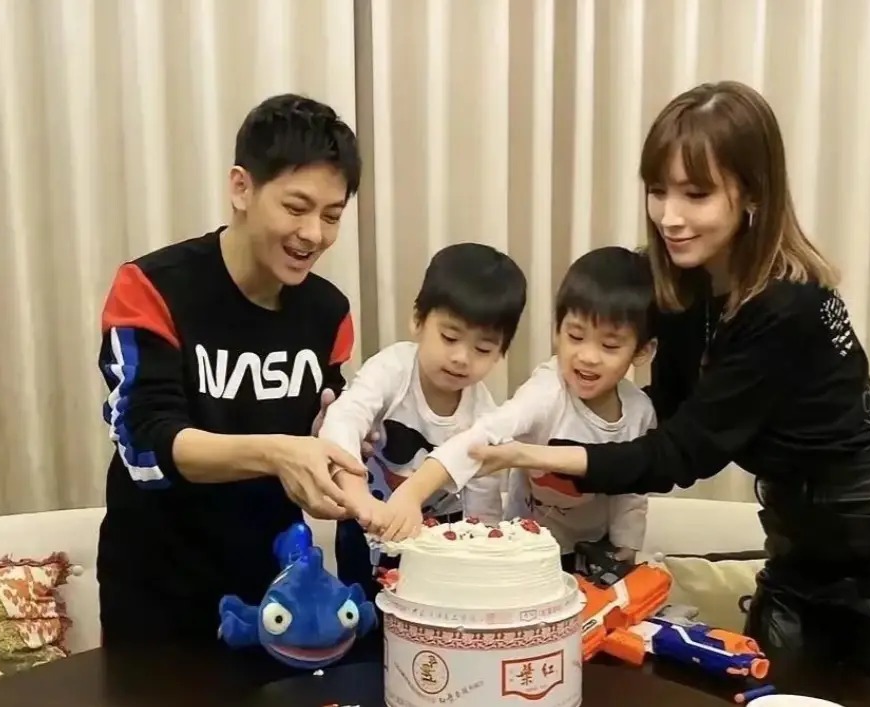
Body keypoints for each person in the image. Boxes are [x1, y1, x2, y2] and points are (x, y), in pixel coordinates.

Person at [462, 81, 870, 703]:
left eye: (696, 194)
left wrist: (535, 454)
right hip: (796, 552)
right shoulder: (683, 283)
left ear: (753, 192)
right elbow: (664, 415)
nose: (669, 217)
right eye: (658, 190)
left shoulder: (788, 305)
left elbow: (683, 453)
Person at [96, 94, 369, 658]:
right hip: (158, 589)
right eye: (296, 207)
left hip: (277, 588)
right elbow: (144, 444)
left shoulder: (328, 312)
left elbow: (324, 423)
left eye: (332, 215)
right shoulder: (152, 288)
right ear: (242, 188)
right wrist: (277, 453)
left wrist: (337, 449)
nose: (313, 234)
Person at [373, 246, 656, 573]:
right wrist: (414, 491)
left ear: (642, 351)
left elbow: (633, 487)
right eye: (575, 336)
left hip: (595, 546)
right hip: (527, 545)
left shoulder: (640, 412)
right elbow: (482, 436)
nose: (588, 356)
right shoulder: (546, 392)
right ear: (557, 329)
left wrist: (626, 544)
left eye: (609, 346)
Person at [318, 242, 527, 602]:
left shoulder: (484, 416)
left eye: (482, 349)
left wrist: (479, 560)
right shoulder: (392, 370)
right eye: (450, 337)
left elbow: (484, 509)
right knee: (361, 612)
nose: (461, 358)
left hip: (440, 534)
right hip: (367, 515)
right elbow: (344, 418)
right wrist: (356, 494)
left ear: (501, 353)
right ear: (418, 320)